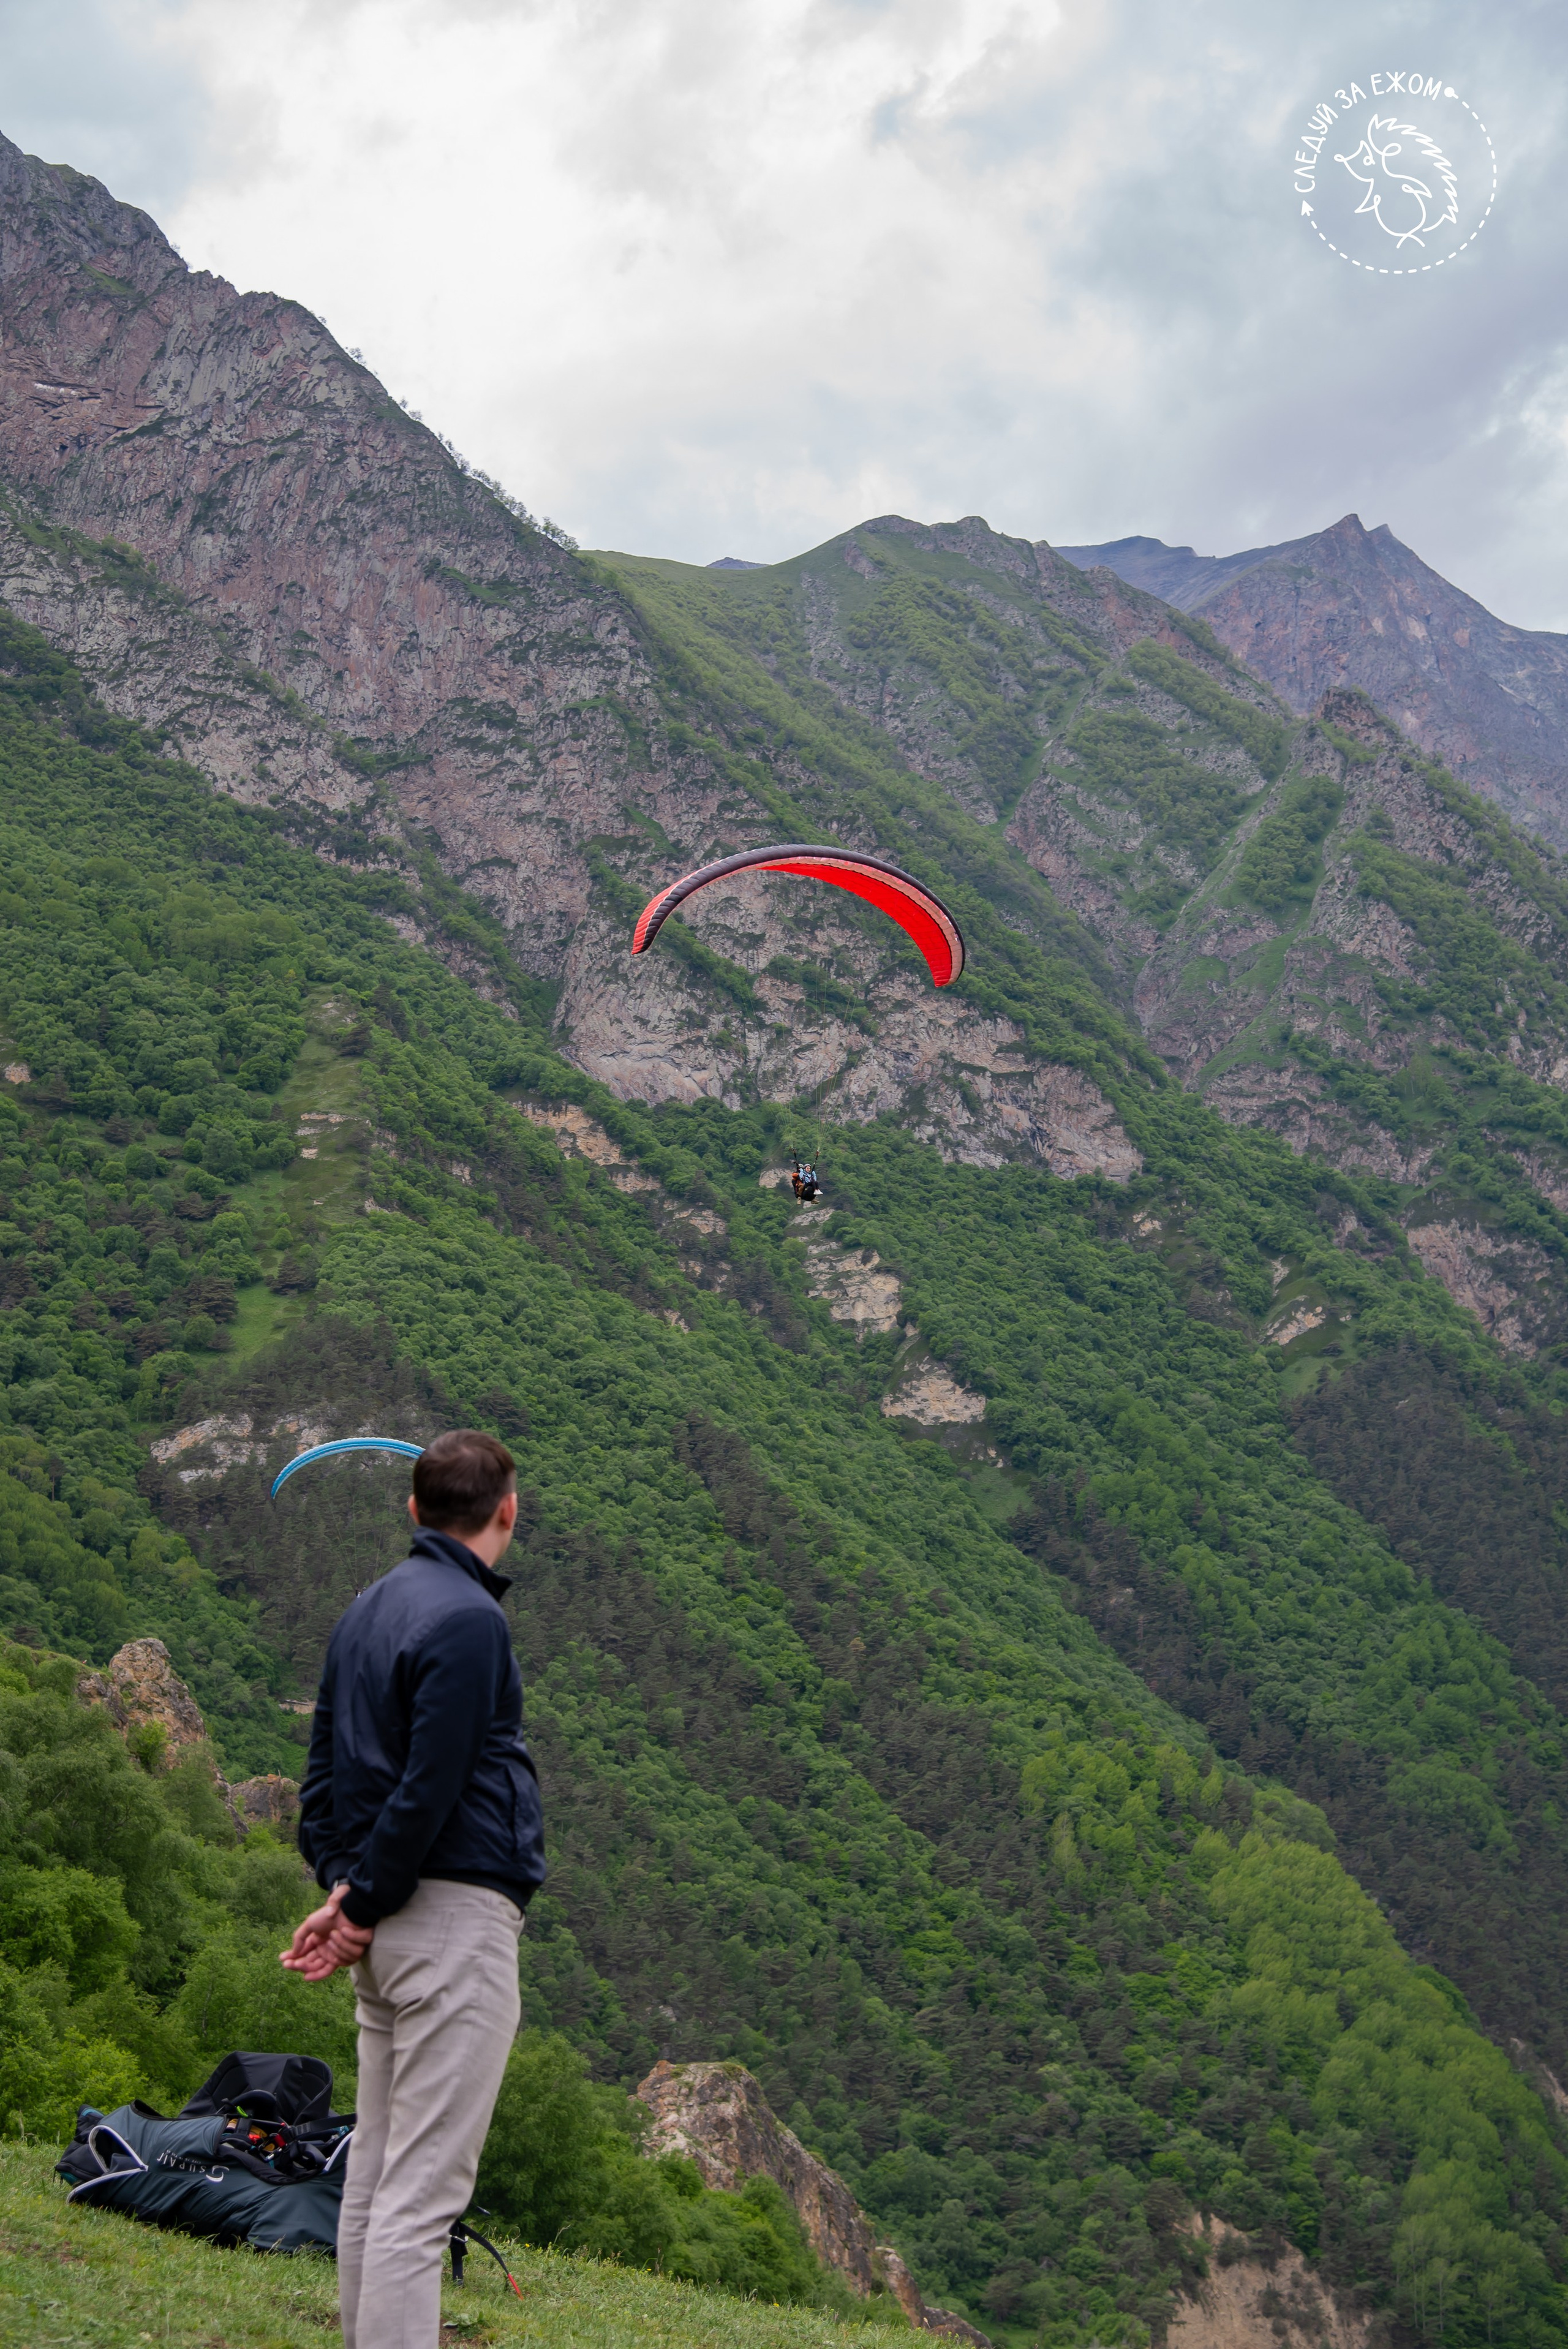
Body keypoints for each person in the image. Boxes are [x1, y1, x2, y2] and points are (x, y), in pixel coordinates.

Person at [281, 1429, 545, 2349]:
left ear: (413, 1511)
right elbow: (432, 1784)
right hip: (449, 1924)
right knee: (421, 2196)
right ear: (507, 1511)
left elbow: (325, 1775)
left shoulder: (366, 1609)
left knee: (378, 2180)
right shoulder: (473, 1621)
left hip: (387, 1925)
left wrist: (343, 1887)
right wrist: (359, 1904)